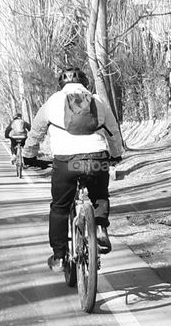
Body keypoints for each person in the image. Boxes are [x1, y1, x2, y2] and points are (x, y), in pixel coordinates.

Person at [23, 66, 124, 271]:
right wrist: (115, 155)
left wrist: (29, 156)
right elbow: (113, 131)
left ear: (61, 84)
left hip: (66, 163)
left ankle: (60, 257)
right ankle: (101, 227)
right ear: (85, 83)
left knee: (60, 207)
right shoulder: (98, 101)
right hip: (97, 159)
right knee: (100, 196)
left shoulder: (53, 102)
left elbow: (36, 132)